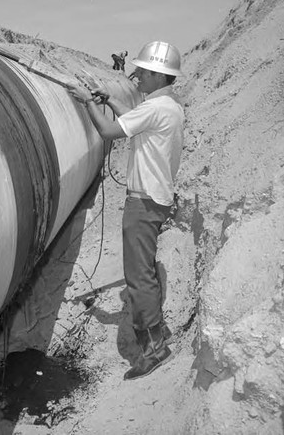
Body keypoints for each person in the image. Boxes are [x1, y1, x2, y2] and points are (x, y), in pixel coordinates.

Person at [68, 41, 184, 380]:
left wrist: (87, 100)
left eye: (142, 71)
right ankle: (159, 332)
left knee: (138, 276)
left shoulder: (154, 109)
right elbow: (133, 119)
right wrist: (110, 100)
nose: (135, 75)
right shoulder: (168, 107)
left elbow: (107, 132)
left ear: (158, 75)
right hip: (156, 198)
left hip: (143, 201)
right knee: (143, 270)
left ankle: (154, 348)